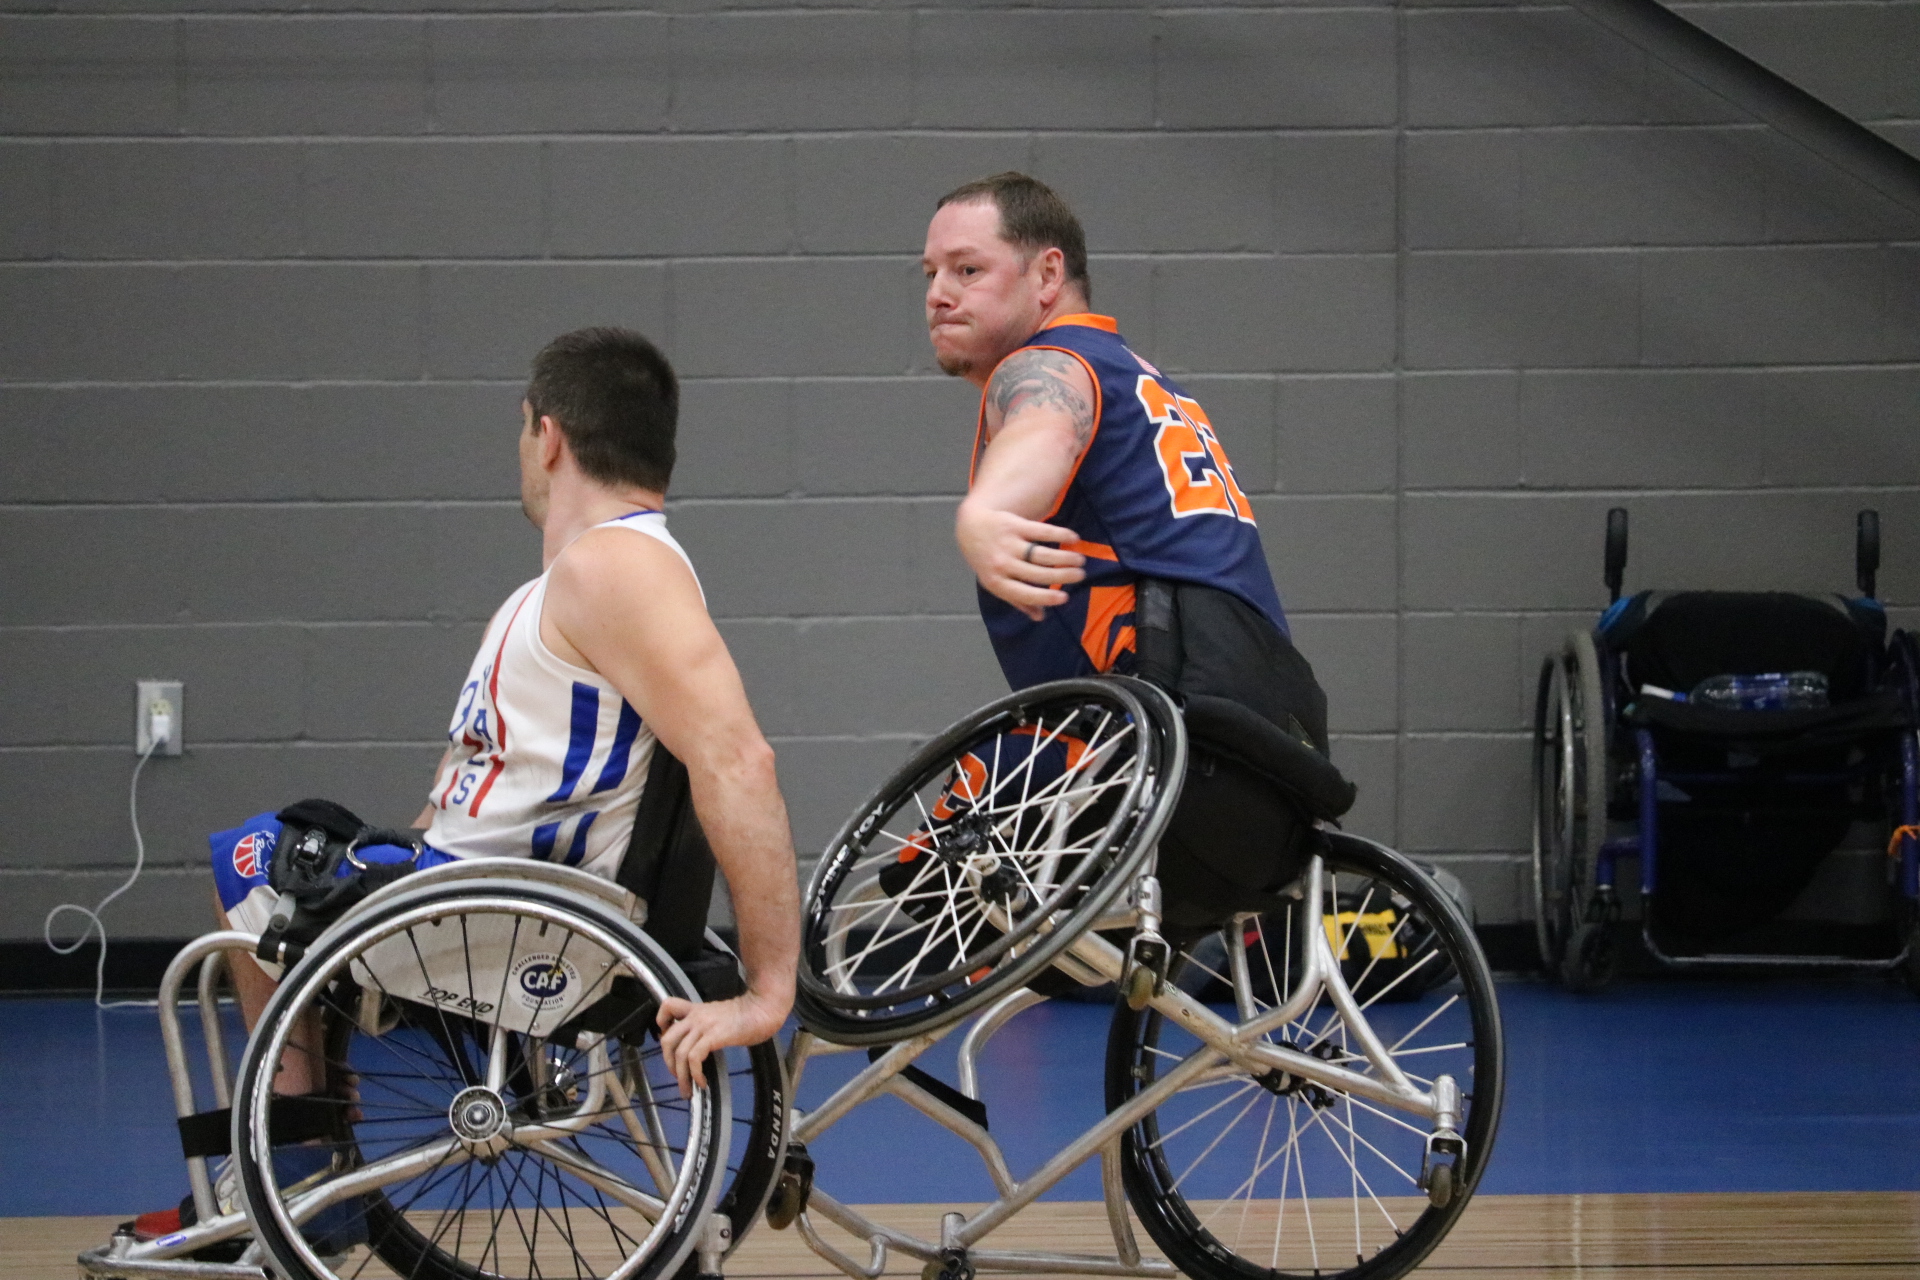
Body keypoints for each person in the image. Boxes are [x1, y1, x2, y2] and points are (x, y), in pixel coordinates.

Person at [133, 326, 800, 1245]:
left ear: (550, 436)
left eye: (523, 432)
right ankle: (303, 1177)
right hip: (480, 896)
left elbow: (740, 762)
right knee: (319, 857)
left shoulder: (617, 566)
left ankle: (290, 1186)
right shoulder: (578, 579)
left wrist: (769, 991)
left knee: (251, 858)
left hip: (516, 923)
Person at [917, 172, 1344, 928]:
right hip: (1262, 733)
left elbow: (1044, 430)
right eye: (931, 275)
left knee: (905, 907)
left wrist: (987, 510)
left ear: (1048, 273)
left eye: (967, 269)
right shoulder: (1147, 381)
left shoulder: (1052, 363)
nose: (938, 294)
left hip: (1146, 726)